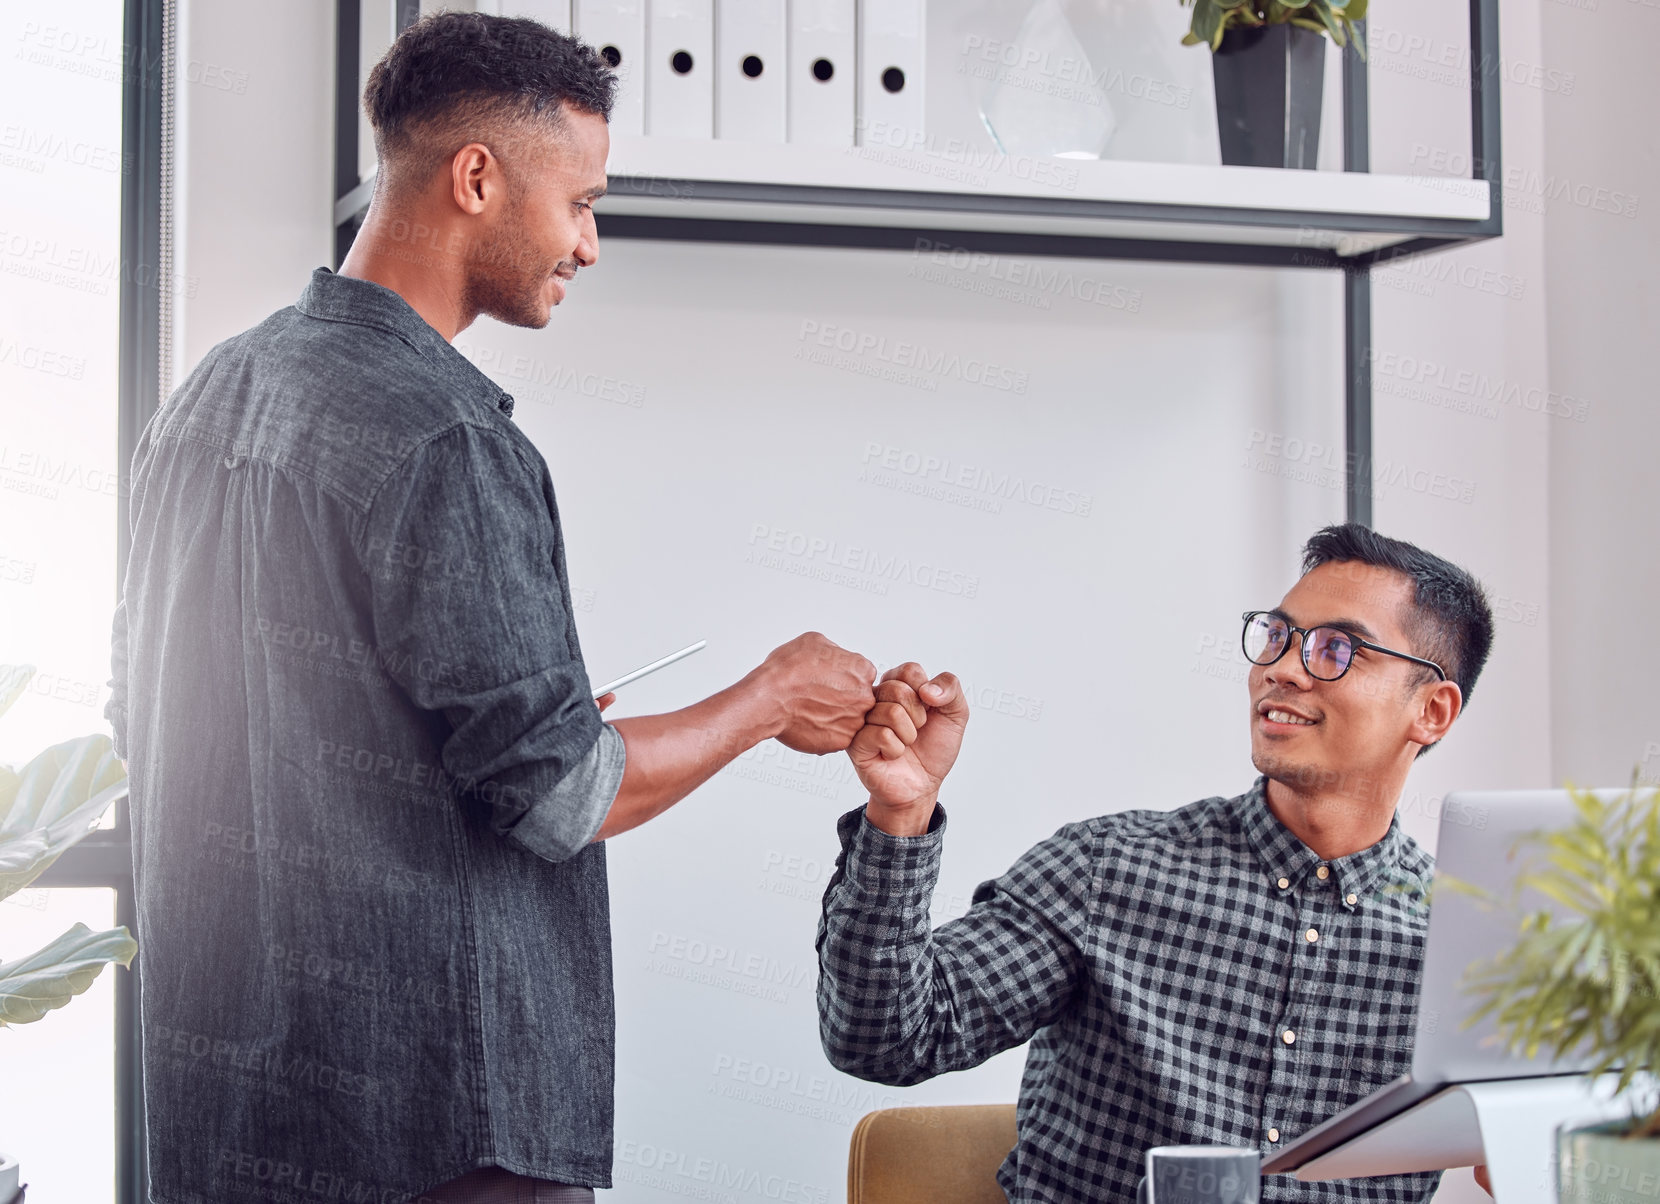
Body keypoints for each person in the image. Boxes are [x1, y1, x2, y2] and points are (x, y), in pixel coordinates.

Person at [104, 13, 874, 1203]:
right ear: (476, 177)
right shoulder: (446, 435)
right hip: (434, 1132)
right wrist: (769, 697)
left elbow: (167, 717)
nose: (591, 245)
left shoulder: (207, 398)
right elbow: (568, 792)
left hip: (227, 1125)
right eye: (580, 202)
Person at [819, 524, 1497, 1204]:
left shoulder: (1470, 952)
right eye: (1278, 636)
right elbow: (885, 1039)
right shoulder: (1107, 870)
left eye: (1335, 648)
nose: (1282, 669)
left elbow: (1554, 1143)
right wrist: (901, 816)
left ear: (1431, 711)